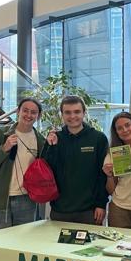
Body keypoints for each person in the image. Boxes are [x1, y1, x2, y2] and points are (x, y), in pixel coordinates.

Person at [0, 98, 45, 231]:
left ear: (38, 116)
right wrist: (4, 148)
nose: (28, 115)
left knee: (22, 243)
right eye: (25, 110)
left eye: (33, 112)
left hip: (27, 200)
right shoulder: (0, 134)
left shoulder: (40, 140)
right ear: (18, 111)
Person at [44, 95, 108, 224]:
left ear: (84, 113)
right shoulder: (55, 138)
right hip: (59, 210)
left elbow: (103, 175)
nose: (72, 116)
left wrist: (101, 204)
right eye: (67, 112)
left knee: (91, 245)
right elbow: (46, 172)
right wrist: (52, 147)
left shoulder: (98, 138)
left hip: (89, 211)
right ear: (62, 114)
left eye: (77, 112)